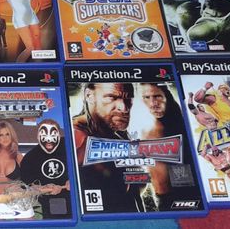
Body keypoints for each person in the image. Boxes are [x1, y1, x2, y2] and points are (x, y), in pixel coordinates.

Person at [71, 82, 141, 213]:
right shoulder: (76, 135)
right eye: (111, 97)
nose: (124, 108)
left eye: (128, 98)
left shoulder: (116, 135)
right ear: (89, 96)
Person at [138, 83, 191, 211]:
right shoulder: (145, 127)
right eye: (146, 97)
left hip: (182, 193)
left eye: (157, 96)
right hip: (164, 198)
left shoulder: (181, 123)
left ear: (166, 96)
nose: (153, 103)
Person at [19, 119, 70, 218]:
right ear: (38, 135)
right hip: (52, 203)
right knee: (58, 222)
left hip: (76, 199)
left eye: (53, 134)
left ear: (59, 134)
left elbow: (85, 166)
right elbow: (27, 184)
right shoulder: (30, 158)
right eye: (44, 134)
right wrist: (44, 188)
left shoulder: (70, 147)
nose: (49, 139)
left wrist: (73, 181)